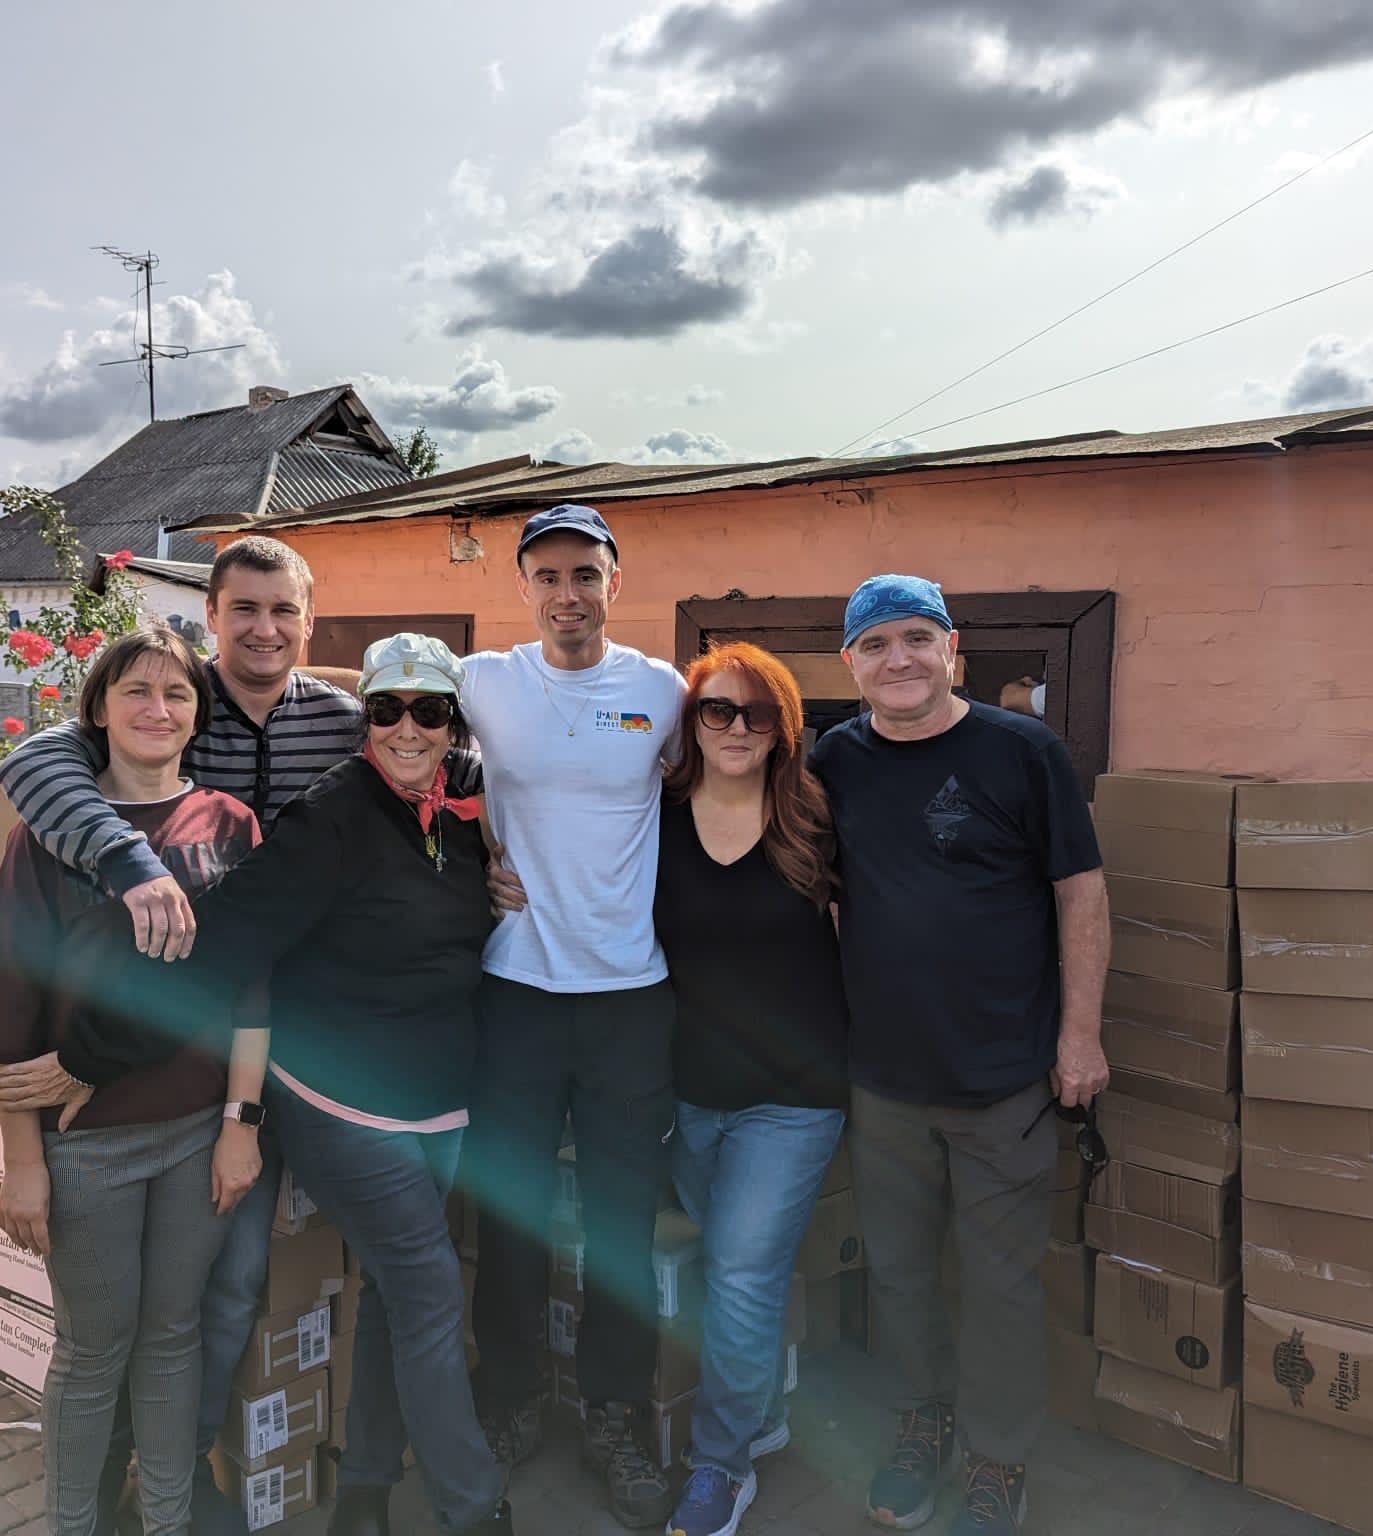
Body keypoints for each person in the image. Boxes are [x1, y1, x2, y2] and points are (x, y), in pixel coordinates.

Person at [0, 535, 363, 1530]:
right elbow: (32, 759)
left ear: (310, 621)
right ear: (213, 616)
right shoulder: (168, 700)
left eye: (284, 610)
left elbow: (434, 756)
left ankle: (173, 1481)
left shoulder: (342, 722)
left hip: (280, 1038)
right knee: (173, 1308)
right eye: (245, 608)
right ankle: (123, 1482)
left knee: (208, 1298)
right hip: (172, 1049)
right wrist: (127, 861)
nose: (265, 629)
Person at [167, 632, 511, 1536]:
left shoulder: (462, 801)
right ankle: (474, 1506)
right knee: (429, 1290)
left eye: (430, 710)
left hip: (438, 1092)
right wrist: (97, 1038)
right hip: (339, 1096)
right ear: (366, 716)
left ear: (454, 721)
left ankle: (363, 1491)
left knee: (399, 1296)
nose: (408, 728)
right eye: (387, 708)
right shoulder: (330, 816)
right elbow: (224, 939)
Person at [807, 575, 1109, 1536]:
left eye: (915, 637)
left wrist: (1080, 1033)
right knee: (898, 1273)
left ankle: (997, 1457)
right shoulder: (836, 759)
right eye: (875, 644)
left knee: (1000, 1284)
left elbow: (1080, 892)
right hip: (885, 1076)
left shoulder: (1023, 751)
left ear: (952, 650)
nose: (897, 658)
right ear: (849, 664)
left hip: (1004, 1076)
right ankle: (921, 1421)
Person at [0, 624, 266, 1536]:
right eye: (136, 690)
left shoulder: (229, 826)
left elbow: (252, 994)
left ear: (198, 716)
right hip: (86, 1151)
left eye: (176, 694)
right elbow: (11, 999)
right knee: (94, 1352)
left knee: (174, 1340)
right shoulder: (48, 838)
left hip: (196, 1136)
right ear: (98, 708)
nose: (157, 710)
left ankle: (167, 1521)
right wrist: (23, 1162)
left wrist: (240, 1124)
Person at [461, 504, 686, 1530]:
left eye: (585, 574)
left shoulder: (661, 692)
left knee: (620, 1223)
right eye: (547, 576)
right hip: (514, 989)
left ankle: (615, 1414)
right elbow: (389, 738)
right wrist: (474, 863)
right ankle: (509, 1400)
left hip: (629, 996)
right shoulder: (482, 682)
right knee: (510, 1213)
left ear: (614, 583)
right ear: (522, 588)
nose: (567, 594)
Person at [654, 643, 850, 1536]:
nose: (736, 726)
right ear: (691, 723)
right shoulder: (653, 818)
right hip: (690, 1092)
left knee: (738, 1272)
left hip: (795, 1095)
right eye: (717, 710)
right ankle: (762, 1409)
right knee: (734, 1263)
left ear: (783, 729)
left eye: (756, 713)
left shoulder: (816, 820)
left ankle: (720, 1467)